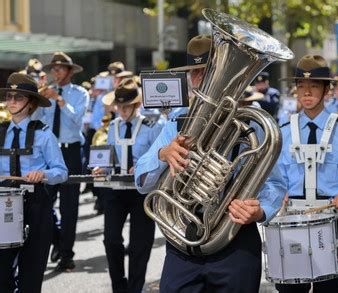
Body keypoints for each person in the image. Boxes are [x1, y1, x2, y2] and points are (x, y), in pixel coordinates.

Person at [135, 35, 285, 293]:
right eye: (194, 73)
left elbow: (275, 184)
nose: (199, 80)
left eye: (208, 72)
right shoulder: (176, 122)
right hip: (182, 238)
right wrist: (162, 154)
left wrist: (259, 211)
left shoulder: (252, 125)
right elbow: (141, 182)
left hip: (234, 237)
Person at [275, 55, 338, 293]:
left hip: (331, 219)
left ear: (327, 90)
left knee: (328, 289)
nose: (306, 92)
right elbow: (271, 176)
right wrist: (277, 194)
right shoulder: (283, 131)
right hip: (291, 219)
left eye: (313, 86)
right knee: (290, 289)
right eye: (301, 86)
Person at [92, 77, 162, 292]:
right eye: (119, 106)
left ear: (137, 105)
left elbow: (159, 157)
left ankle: (135, 288)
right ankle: (119, 287)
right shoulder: (112, 127)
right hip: (116, 191)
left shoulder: (153, 126)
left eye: (126, 106)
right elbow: (111, 155)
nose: (122, 111)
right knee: (111, 239)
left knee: (140, 245)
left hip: (142, 191)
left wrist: (143, 167)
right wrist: (101, 167)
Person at [0, 73, 68, 292]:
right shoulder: (0, 132)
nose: (11, 101)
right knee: (2, 274)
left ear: (30, 103)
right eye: (9, 96)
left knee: (31, 274)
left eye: (18, 97)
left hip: (36, 205)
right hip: (4, 205)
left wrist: (44, 175)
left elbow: (62, 172)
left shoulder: (44, 134)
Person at [38, 51, 90, 271]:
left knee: (69, 207)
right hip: (48, 152)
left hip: (71, 151)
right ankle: (58, 240)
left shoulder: (80, 93)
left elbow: (77, 120)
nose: (55, 72)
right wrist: (38, 98)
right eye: (53, 68)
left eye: (59, 68)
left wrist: (59, 100)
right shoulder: (45, 94)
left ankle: (66, 253)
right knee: (43, 204)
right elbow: (37, 121)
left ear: (69, 71)